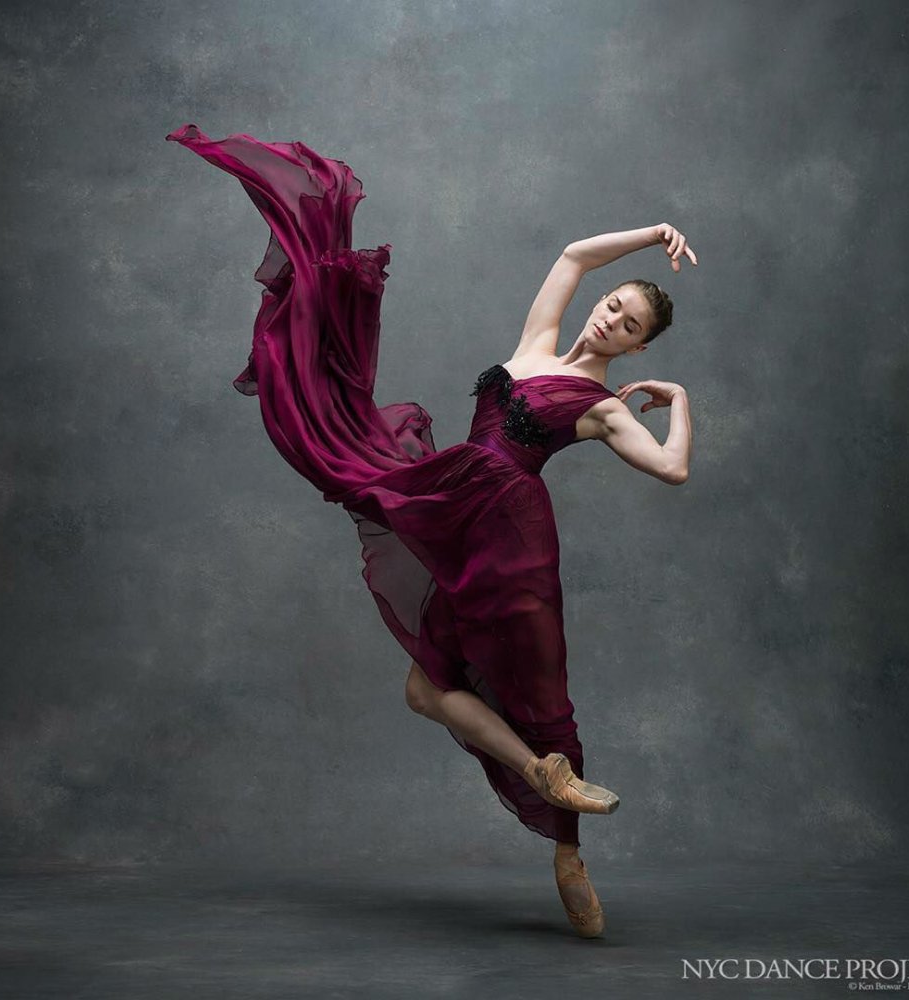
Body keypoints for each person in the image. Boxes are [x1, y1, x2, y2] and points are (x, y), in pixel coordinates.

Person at [165, 124, 696, 939]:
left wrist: (680, 400)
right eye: (612, 306)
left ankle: (568, 854)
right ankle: (544, 778)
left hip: (510, 533)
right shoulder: (535, 346)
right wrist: (654, 232)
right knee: (426, 689)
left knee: (536, 692)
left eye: (625, 327)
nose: (606, 321)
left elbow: (671, 471)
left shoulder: (602, 407)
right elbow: (573, 255)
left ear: (637, 349)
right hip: (454, 509)